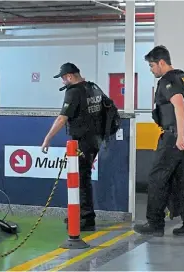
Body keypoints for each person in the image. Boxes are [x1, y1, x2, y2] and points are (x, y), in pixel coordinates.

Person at [134, 45, 184, 237]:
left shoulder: (167, 80)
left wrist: (180, 135)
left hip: (174, 137)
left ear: (161, 62)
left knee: (157, 178)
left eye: (152, 65)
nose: (151, 69)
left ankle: (154, 224)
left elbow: (179, 104)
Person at [41, 62, 104, 231]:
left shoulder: (74, 92)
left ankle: (86, 218)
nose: (63, 82)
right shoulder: (93, 88)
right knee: (82, 178)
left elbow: (62, 118)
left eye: (63, 78)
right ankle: (80, 214)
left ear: (69, 76)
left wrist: (48, 138)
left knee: (81, 179)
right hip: (95, 140)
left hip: (83, 141)